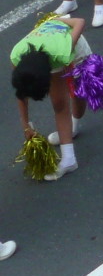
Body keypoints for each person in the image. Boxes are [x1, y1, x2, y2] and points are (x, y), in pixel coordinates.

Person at [9, 12, 89, 182]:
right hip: (47, 51)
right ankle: (69, 152)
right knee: (59, 102)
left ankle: (71, 142)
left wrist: (58, 20)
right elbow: (21, 92)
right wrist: (26, 125)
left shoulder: (62, 52)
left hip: (74, 49)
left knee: (73, 96)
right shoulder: (16, 55)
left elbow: (80, 21)